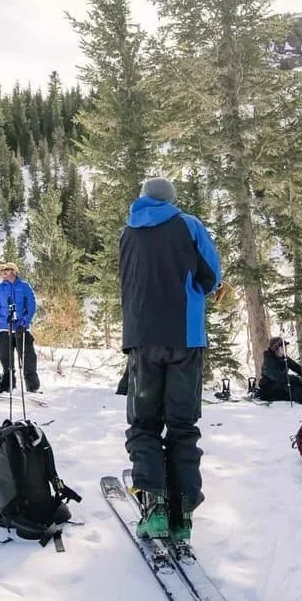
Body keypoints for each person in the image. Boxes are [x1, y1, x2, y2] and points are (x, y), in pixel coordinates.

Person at [119, 176, 222, 540]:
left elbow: (126, 281)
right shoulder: (189, 225)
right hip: (184, 338)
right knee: (182, 425)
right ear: (172, 199)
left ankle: (154, 506)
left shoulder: (127, 232)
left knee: (144, 424)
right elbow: (212, 275)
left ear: (143, 198)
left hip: (142, 340)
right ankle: (183, 514)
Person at [0, 262, 40, 393]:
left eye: (7, 270)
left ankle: (32, 387)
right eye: (2, 271)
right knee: (6, 360)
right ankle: (8, 387)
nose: (4, 272)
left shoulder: (24, 286)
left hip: (22, 329)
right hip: (4, 329)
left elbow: (32, 306)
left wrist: (25, 322)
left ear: (14, 271)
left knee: (28, 358)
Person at [259, 336, 302, 403]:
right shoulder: (269, 360)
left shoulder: (284, 358)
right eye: (282, 347)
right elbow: (277, 376)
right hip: (269, 388)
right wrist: (296, 379)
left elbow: (296, 367)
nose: (285, 349)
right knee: (294, 389)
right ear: (276, 348)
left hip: (281, 384)